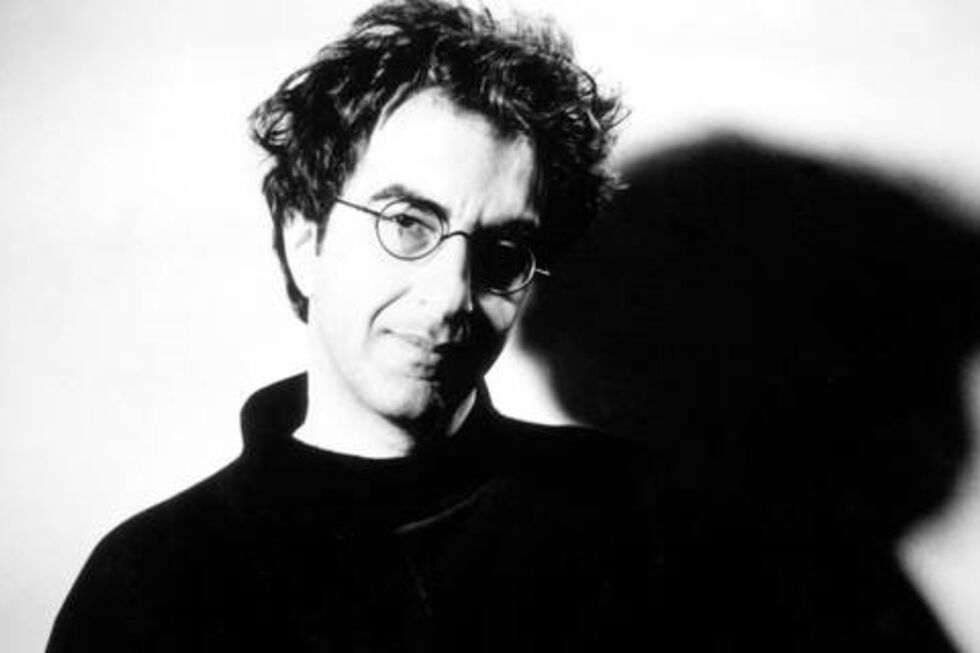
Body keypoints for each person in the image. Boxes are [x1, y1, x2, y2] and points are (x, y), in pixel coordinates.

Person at [47, 1, 658, 651]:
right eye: (407, 224)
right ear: (304, 242)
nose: (451, 296)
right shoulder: (148, 582)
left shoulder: (643, 516)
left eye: (502, 251)